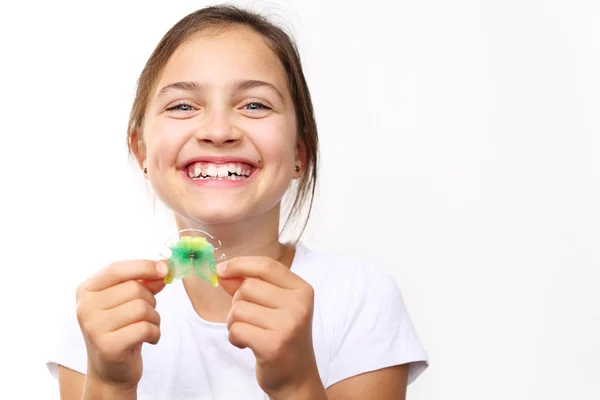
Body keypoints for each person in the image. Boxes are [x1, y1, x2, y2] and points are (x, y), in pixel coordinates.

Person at [46, 4, 428, 399]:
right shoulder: (99, 312)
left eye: (255, 105)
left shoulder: (360, 297)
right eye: (182, 106)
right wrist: (110, 383)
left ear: (301, 152)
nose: (218, 130)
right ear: (141, 152)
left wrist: (295, 382)